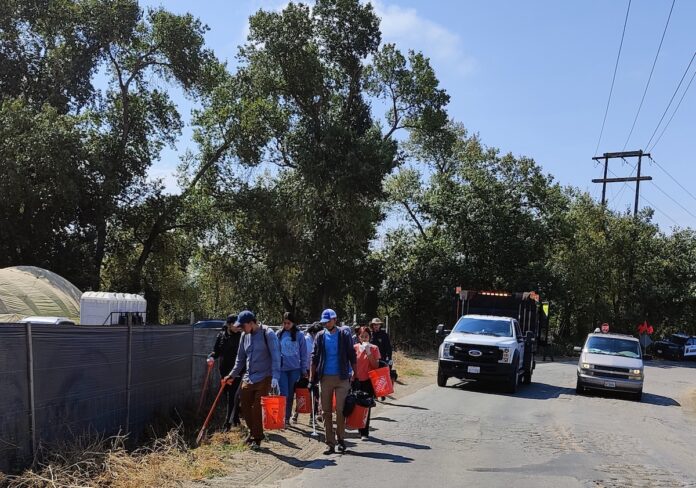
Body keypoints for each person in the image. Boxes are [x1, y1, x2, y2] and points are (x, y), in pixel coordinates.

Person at [225, 310, 281, 450]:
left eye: (243, 325)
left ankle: (257, 437)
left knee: (256, 408)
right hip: (249, 377)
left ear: (251, 323)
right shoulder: (245, 335)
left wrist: (275, 376)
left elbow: (275, 356)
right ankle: (253, 432)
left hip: (265, 376)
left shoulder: (267, 334)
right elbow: (240, 359)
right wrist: (231, 375)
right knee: (243, 405)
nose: (241, 328)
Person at [310, 309, 357, 455]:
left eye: (328, 321)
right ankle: (330, 443)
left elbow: (351, 353)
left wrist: (356, 372)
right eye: (324, 322)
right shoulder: (320, 336)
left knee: (341, 409)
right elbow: (314, 357)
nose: (326, 324)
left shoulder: (344, 334)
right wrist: (312, 378)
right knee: (326, 411)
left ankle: (341, 439)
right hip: (325, 377)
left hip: (342, 376)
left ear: (334, 320)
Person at [207, 314, 243, 430]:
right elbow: (216, 351)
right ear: (229, 324)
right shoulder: (221, 336)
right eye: (236, 324)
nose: (239, 326)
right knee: (227, 395)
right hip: (224, 370)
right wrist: (211, 357)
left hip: (237, 371)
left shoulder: (242, 336)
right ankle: (236, 418)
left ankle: (227, 423)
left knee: (232, 395)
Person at [276, 312, 309, 425]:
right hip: (282, 369)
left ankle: (286, 417)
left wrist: (304, 369)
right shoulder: (279, 334)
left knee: (290, 394)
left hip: (295, 369)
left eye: (288, 323)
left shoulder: (299, 335)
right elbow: (274, 351)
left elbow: (304, 354)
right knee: (283, 393)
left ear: (293, 323)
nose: (286, 325)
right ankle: (281, 417)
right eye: (284, 323)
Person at [353, 326, 380, 441]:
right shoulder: (354, 348)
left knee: (366, 406)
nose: (364, 339)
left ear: (370, 337)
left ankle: (364, 431)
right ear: (358, 337)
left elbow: (376, 365)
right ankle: (358, 426)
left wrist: (368, 352)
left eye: (366, 336)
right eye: (362, 336)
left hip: (368, 380)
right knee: (355, 404)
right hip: (356, 380)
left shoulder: (374, 348)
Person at [369, 317, 392, 400]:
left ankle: (382, 394)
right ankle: (375, 394)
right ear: (372, 325)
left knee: (381, 377)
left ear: (380, 325)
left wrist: (389, 358)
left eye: (377, 324)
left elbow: (388, 347)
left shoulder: (384, 335)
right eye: (374, 324)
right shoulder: (370, 334)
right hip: (371, 359)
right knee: (373, 376)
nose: (376, 326)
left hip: (381, 358)